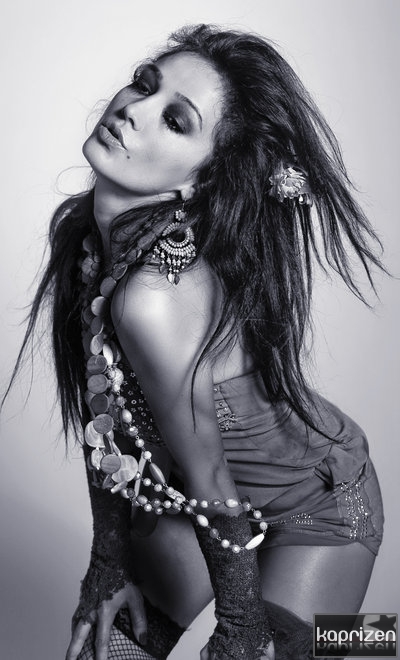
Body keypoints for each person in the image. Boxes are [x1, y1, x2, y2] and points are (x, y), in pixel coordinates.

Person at [8, 24, 385, 660]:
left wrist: (240, 630)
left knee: (317, 650)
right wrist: (107, 565)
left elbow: (210, 473)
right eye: (144, 85)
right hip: (204, 502)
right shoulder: (87, 241)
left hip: (318, 501)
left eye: (175, 120)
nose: (133, 110)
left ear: (200, 181)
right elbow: (106, 424)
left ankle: (379, 639)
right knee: (107, 648)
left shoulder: (151, 297)